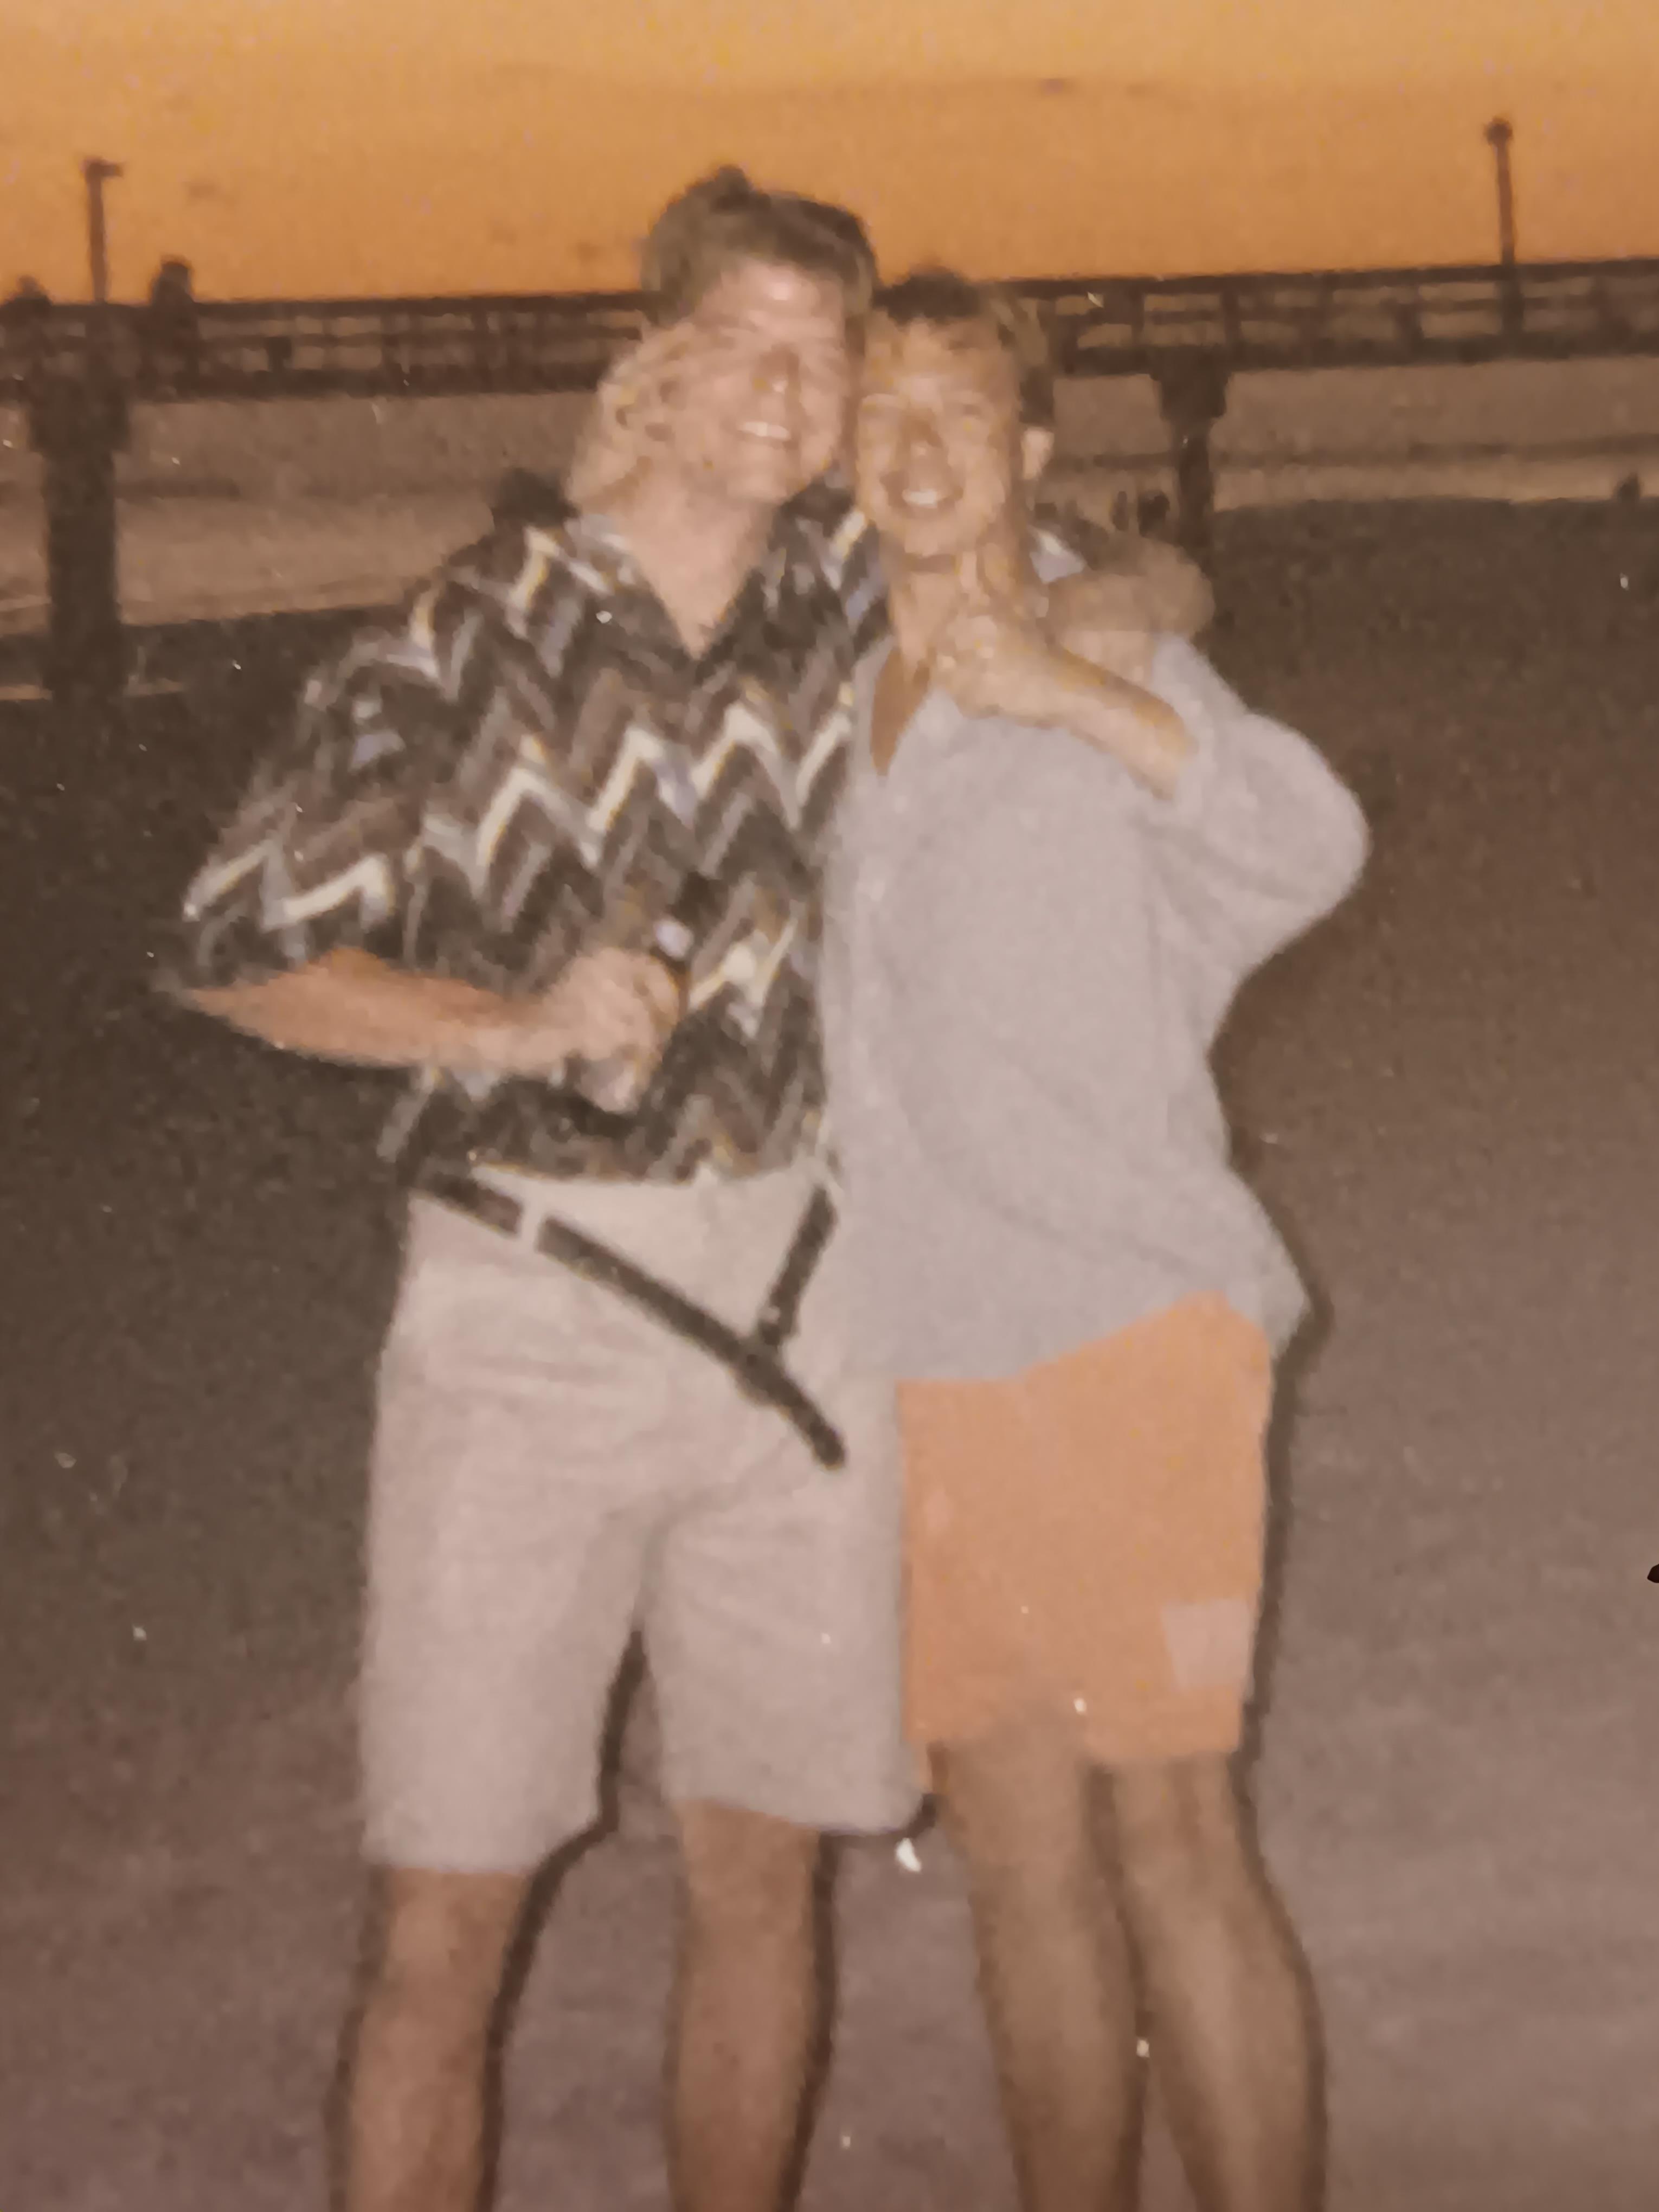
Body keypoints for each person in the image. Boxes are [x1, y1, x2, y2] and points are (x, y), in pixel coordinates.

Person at [166, 170, 918, 2212]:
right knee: (444, 1920)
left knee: (766, 1879)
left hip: (806, 1308)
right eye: (742, 348)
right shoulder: (458, 636)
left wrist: (1091, 610)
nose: (788, 392)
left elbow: (1143, 593)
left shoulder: (866, 604)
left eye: (822, 354)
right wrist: (499, 1022)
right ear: (647, 373)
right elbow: (239, 948)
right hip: (529, 1314)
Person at [826, 271, 1369, 2212]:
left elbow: (1309, 845)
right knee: (1017, 1868)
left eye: (961, 413)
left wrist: (1074, 678)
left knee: (1172, 1840)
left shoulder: (1099, 660)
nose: (914, 446)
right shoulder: (829, 703)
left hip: (1127, 1338)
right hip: (929, 1360)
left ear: (1029, 451)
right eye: (878, 404)